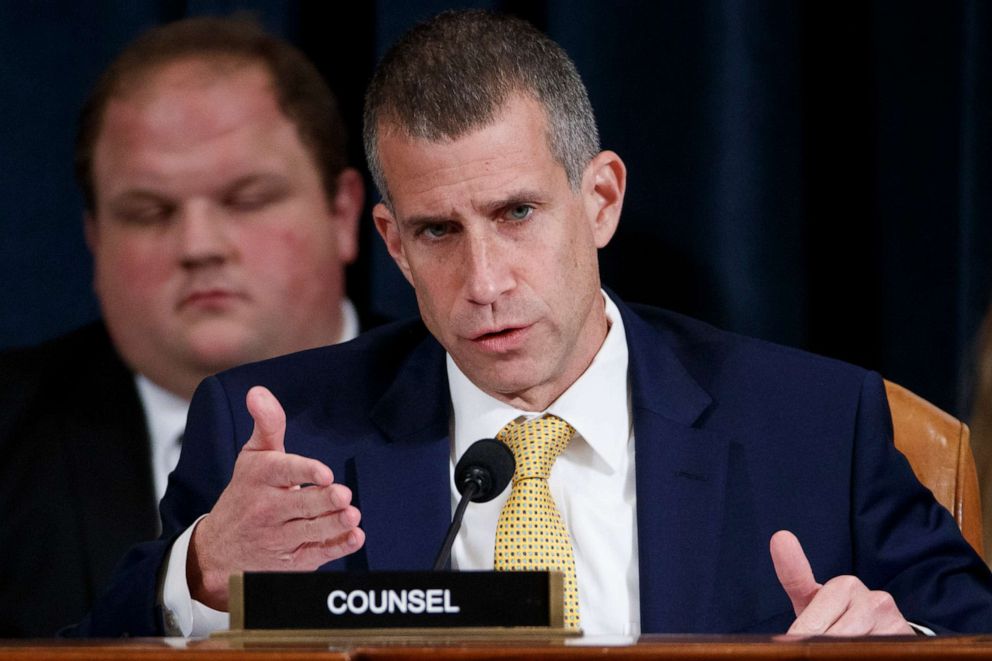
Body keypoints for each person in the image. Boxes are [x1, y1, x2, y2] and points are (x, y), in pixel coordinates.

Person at [73, 10, 992, 638]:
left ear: (599, 200)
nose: (484, 281)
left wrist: (899, 643)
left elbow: (968, 631)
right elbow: (89, 645)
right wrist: (197, 575)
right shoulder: (275, 427)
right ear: (390, 241)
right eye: (438, 231)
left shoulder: (817, 424)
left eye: (517, 214)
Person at [0, 16, 365, 637]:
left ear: (343, 212)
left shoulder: (476, 392)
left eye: (247, 199)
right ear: (94, 238)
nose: (198, 246)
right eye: (149, 212)